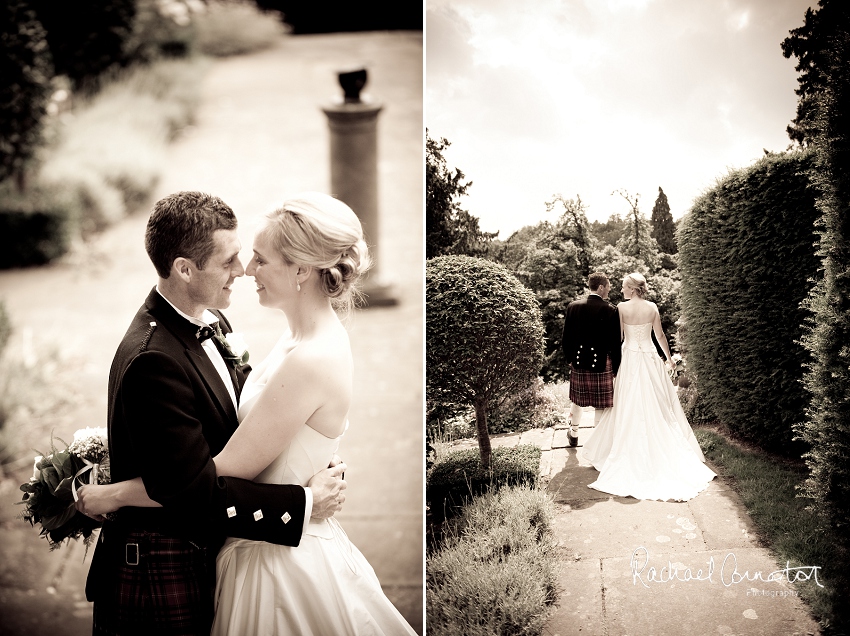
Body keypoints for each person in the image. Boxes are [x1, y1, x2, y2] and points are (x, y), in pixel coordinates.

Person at [80, 192, 417, 634]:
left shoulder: (254, 336)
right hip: (177, 560)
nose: (244, 270)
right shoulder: (158, 355)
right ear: (184, 269)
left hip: (276, 562)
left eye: (256, 258)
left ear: (301, 269)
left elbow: (215, 466)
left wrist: (119, 493)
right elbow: (198, 483)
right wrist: (306, 500)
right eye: (235, 260)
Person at [581, 272, 716, 501]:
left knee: (628, 403)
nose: (621, 290)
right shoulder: (652, 307)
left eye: (624, 286)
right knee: (658, 403)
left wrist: (613, 362)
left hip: (631, 359)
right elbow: (660, 335)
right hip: (651, 358)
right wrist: (669, 359)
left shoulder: (621, 309)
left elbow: (619, 338)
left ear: (632, 289)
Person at [561, 272, 622, 446]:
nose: (609, 291)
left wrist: (569, 359)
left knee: (578, 399)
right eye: (608, 287)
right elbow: (615, 342)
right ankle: (598, 443)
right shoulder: (610, 309)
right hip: (602, 363)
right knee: (600, 404)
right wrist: (617, 368)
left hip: (578, 361)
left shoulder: (573, 306)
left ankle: (573, 433)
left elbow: (566, 337)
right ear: (601, 287)